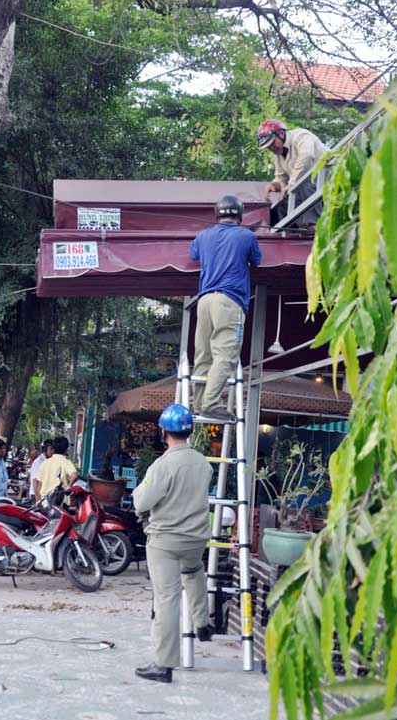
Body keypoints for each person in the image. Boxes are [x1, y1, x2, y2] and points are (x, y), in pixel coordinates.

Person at [133, 404, 214, 684]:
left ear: (164, 431)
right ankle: (203, 622)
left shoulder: (163, 465)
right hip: (196, 538)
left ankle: (164, 664)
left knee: (167, 598)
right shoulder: (203, 463)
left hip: (166, 541)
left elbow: (143, 502)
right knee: (193, 572)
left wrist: (139, 491)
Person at [189, 194, 261, 421]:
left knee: (203, 354)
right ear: (240, 216)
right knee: (226, 354)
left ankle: (198, 403)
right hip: (229, 301)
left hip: (204, 300)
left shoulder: (203, 236)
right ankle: (210, 403)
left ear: (217, 214)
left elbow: (193, 255)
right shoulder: (246, 235)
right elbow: (257, 260)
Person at [258, 119, 328, 226]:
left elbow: (307, 157)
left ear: (281, 134)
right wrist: (275, 185)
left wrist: (291, 183)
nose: (271, 148)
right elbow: (281, 178)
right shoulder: (278, 154)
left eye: (272, 143)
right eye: (268, 147)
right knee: (283, 199)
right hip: (310, 184)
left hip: (328, 175)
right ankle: (294, 229)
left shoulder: (301, 136)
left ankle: (312, 224)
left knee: (304, 182)